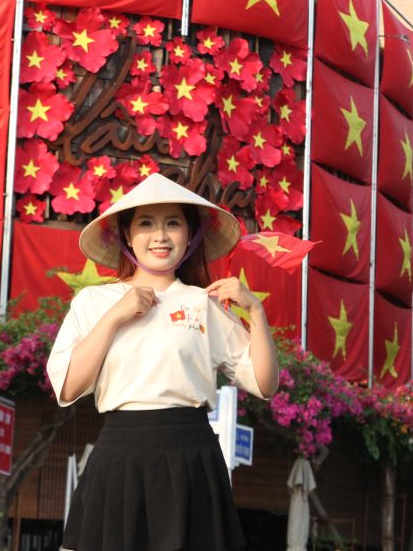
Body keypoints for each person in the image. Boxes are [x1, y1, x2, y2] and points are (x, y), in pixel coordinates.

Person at [47, 173, 279, 551]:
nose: (160, 235)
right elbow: (69, 387)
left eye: (173, 223)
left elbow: (265, 384)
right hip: (120, 454)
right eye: (146, 224)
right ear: (125, 235)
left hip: (192, 457)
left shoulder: (204, 302)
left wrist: (256, 311)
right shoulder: (94, 302)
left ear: (190, 236)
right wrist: (115, 316)